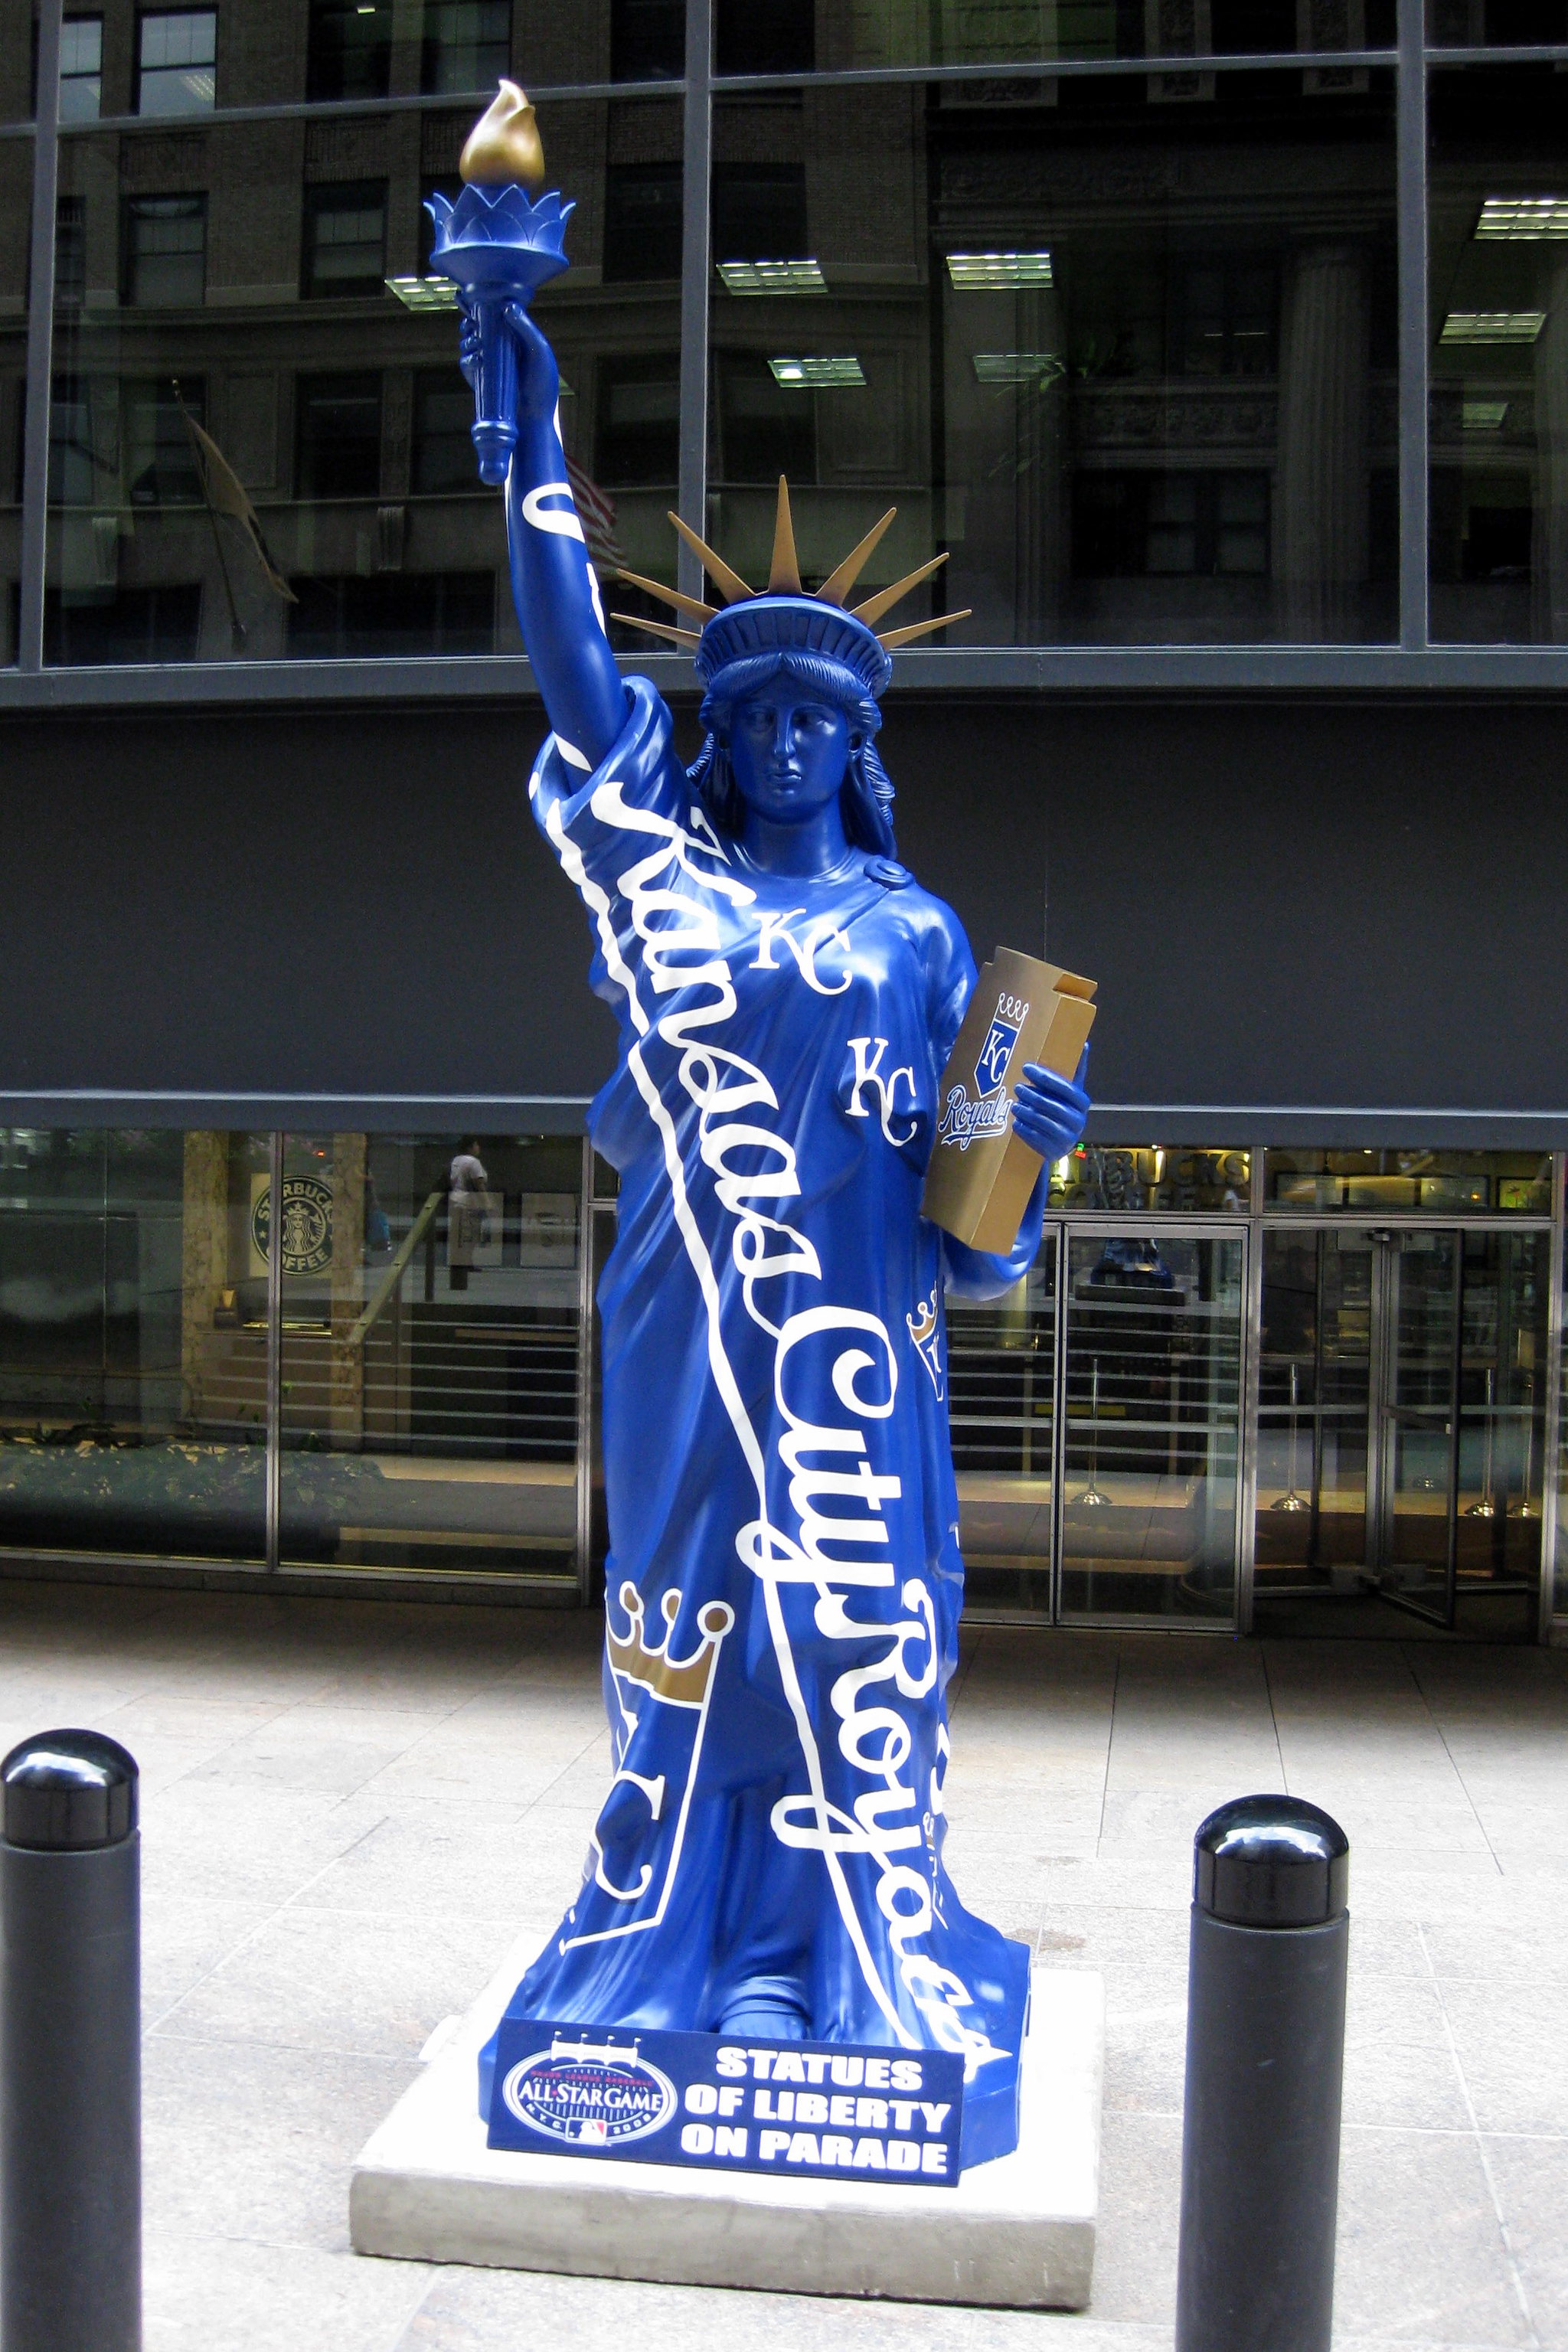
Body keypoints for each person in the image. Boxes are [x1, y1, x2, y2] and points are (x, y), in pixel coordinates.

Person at [472, 299, 1092, 2167]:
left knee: (850, 1615)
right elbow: (576, 664)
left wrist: (1029, 1154)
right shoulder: (660, 881)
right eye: (761, 714)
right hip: (686, 1321)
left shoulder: (916, 937)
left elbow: (971, 1238)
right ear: (720, 735)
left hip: (853, 1350)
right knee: (688, 1615)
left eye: (830, 713)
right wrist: (515, 397)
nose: (798, 739)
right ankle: (676, 1937)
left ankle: (846, 1953)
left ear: (863, 737)